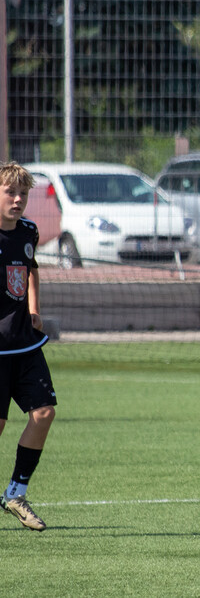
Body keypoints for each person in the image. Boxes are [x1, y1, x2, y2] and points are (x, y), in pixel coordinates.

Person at [0, 162, 54, 530]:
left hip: (24, 342)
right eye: (10, 192)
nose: (18, 200)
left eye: (23, 194)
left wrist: (34, 309)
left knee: (44, 412)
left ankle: (15, 493)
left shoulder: (29, 231)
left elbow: (30, 269)